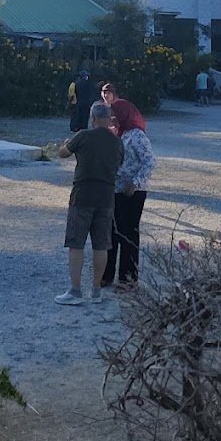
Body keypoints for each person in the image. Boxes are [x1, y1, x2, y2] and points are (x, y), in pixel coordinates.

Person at [55, 101, 124, 305]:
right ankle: (96, 290)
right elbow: (120, 162)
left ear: (93, 118)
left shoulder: (83, 136)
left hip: (83, 194)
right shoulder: (117, 141)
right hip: (106, 196)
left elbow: (63, 153)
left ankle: (75, 290)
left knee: (76, 242)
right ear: (109, 118)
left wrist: (66, 143)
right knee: (101, 244)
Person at [101, 98, 156, 290]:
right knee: (111, 233)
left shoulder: (137, 136)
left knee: (129, 235)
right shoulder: (116, 133)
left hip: (133, 192)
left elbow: (149, 162)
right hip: (114, 190)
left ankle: (128, 279)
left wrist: (135, 182)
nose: (112, 119)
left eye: (115, 115)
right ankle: (106, 275)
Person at [70, 69, 97, 133]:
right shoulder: (89, 84)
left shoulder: (77, 84)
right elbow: (92, 92)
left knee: (79, 116)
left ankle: (78, 129)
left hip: (79, 102)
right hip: (87, 102)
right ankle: (84, 128)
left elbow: (76, 93)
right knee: (85, 116)